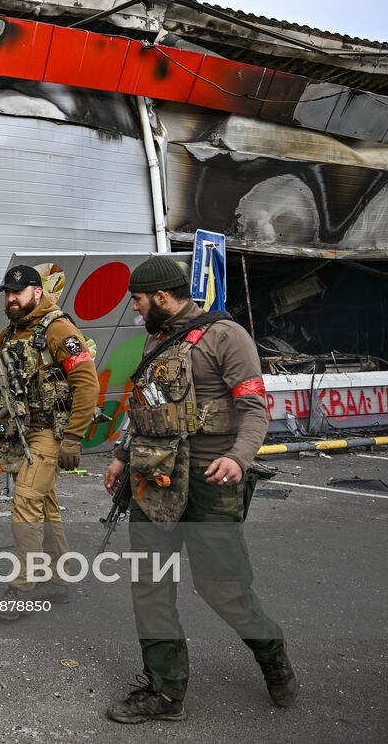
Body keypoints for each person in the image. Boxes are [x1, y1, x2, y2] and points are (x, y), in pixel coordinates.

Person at [102, 256, 297, 723]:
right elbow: (146, 409)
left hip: (211, 483)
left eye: (139, 299)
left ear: (163, 298)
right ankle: (165, 693)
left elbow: (254, 409)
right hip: (153, 481)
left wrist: (239, 457)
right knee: (149, 583)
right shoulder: (157, 339)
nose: (134, 307)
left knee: (223, 589)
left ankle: (271, 654)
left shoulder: (227, 337)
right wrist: (121, 457)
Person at [0, 264, 100, 612]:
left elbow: (87, 384)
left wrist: (73, 438)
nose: (11, 299)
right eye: (7, 293)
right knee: (45, 505)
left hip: (48, 432)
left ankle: (22, 586)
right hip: (20, 431)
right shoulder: (11, 331)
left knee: (26, 500)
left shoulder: (58, 330)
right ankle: (60, 578)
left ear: (36, 292)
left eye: (18, 292)